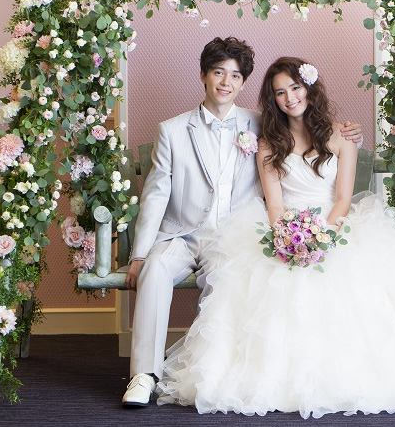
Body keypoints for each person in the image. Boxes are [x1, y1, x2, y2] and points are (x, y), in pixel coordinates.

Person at [156, 57, 395, 422]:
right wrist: (289, 237)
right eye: (280, 93)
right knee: (268, 280)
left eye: (295, 88)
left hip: (335, 224)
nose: (290, 98)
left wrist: (322, 236)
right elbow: (275, 204)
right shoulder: (268, 144)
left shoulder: (342, 137)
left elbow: (343, 199)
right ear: (272, 99)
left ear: (309, 88)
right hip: (286, 227)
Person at [122, 40, 362, 406]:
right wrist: (139, 254)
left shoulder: (260, 123)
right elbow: (156, 195)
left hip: (231, 237)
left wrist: (351, 131)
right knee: (154, 268)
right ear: (203, 75)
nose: (226, 82)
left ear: (244, 82)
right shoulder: (172, 130)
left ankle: (213, 373)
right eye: (218, 73)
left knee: (232, 279)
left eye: (235, 75)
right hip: (182, 235)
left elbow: (309, 126)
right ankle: (143, 375)